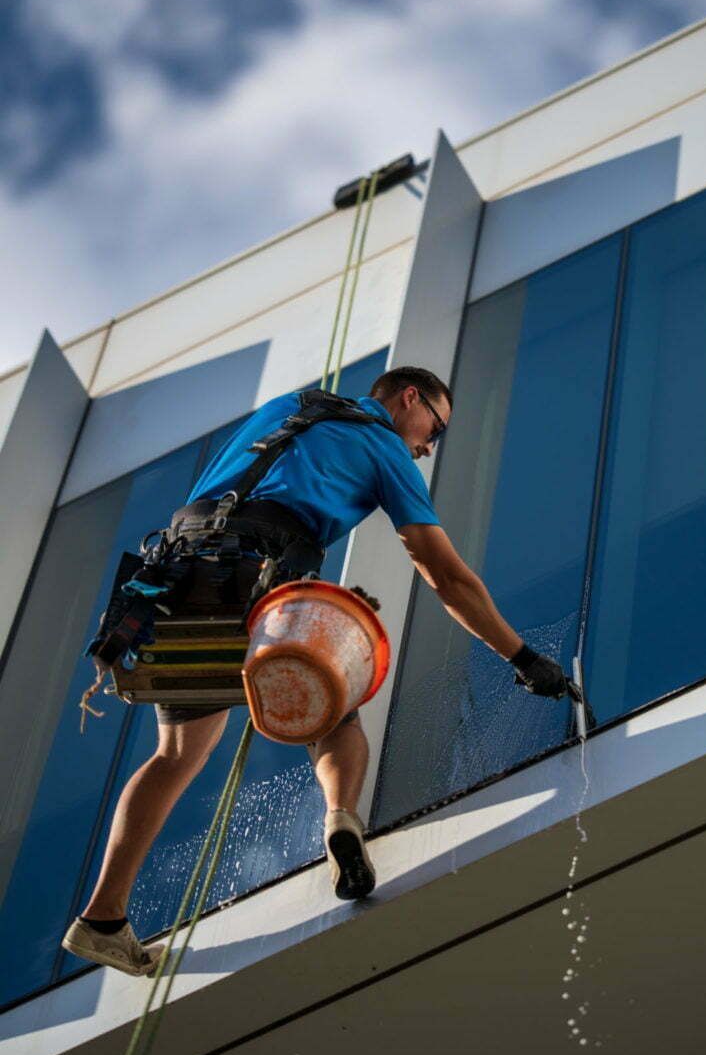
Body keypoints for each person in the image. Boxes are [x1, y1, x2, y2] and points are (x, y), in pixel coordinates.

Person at [62, 366, 578, 977]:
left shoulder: (287, 406)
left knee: (176, 755)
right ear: (409, 398)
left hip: (177, 583)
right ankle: (341, 821)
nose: (428, 446)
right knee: (331, 708)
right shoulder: (385, 446)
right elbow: (446, 575)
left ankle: (102, 919)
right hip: (260, 579)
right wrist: (520, 655)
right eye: (433, 427)